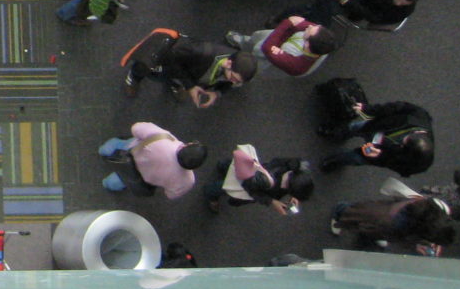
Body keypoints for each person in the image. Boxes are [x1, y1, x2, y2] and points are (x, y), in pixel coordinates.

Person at [120, 28, 255, 107]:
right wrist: (190, 86)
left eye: (238, 82)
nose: (233, 82)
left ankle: (176, 85)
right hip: (170, 65)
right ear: (229, 64)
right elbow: (171, 60)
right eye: (234, 78)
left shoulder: (232, 67)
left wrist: (217, 93)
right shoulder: (200, 52)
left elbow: (228, 82)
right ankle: (133, 78)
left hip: (188, 74)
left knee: (173, 80)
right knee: (146, 70)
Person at [318, 97, 434, 176]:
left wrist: (381, 156)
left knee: (357, 157)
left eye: (403, 144)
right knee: (357, 128)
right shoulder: (420, 116)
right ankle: (339, 133)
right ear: (418, 133)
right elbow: (396, 107)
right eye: (406, 138)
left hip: (381, 150)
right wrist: (369, 110)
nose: (402, 142)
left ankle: (338, 161)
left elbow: (399, 167)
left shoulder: (420, 163)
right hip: (378, 127)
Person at [97, 123, 206, 199]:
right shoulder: (187, 181)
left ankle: (104, 151)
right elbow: (170, 195)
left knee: (117, 145)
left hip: (131, 153)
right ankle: (107, 184)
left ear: (187, 146)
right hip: (140, 178)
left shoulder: (164, 138)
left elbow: (136, 128)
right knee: (120, 180)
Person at [330, 194, 455, 255]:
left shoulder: (431, 207)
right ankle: (338, 214)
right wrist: (415, 246)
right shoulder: (398, 224)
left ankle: (343, 210)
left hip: (384, 209)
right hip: (377, 221)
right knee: (351, 215)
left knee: (358, 210)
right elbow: (399, 238)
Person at [203, 145, 313, 214]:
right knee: (223, 187)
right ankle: (210, 193)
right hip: (247, 182)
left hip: (256, 169)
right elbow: (251, 189)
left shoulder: (294, 166)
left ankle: (223, 166)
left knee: (232, 166)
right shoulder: (270, 184)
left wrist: (294, 194)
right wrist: (272, 201)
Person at [225, 15, 338, 77]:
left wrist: (288, 23)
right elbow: (304, 25)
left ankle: (236, 76)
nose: (309, 26)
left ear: (307, 44)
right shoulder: (322, 41)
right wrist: (278, 41)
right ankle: (245, 43)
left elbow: (266, 48)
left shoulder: (296, 66)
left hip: (279, 58)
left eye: (310, 30)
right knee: (260, 37)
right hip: (284, 41)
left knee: (256, 63)